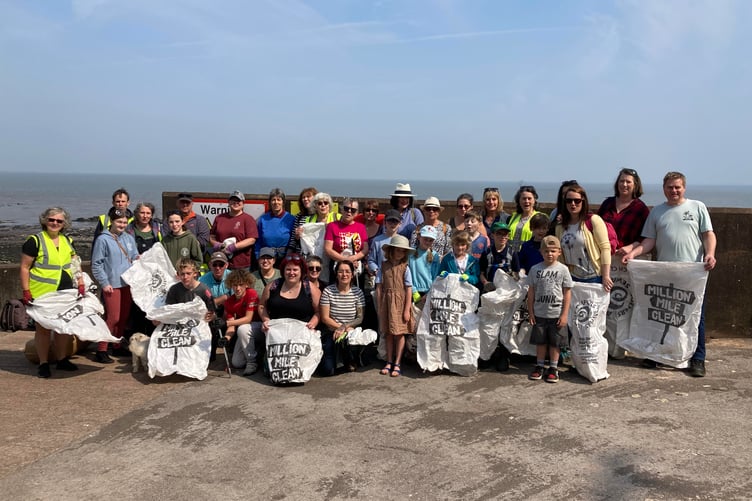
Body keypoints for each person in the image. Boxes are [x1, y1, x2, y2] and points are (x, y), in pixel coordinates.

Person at [623, 171, 716, 377]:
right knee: (662, 316)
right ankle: (656, 355)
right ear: (663, 188)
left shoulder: (697, 207)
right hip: (665, 273)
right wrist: (633, 253)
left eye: (677, 187)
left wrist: (710, 254)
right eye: (669, 187)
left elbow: (708, 234)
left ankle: (697, 359)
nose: (673, 191)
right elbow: (649, 241)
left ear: (684, 188)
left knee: (695, 316)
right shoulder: (657, 211)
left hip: (692, 273)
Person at [20, 207, 85, 378]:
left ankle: (62, 359)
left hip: (65, 291)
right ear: (45, 220)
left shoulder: (67, 240)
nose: (55, 223)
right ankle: (43, 363)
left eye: (59, 221)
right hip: (42, 292)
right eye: (51, 220)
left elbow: (74, 263)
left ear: (64, 224)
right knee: (43, 329)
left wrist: (80, 282)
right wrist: (26, 290)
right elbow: (25, 267)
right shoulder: (35, 241)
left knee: (63, 327)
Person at [91, 207, 139, 363]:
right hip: (112, 284)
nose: (122, 224)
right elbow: (96, 264)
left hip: (127, 283)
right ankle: (102, 349)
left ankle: (116, 345)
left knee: (124, 317)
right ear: (112, 221)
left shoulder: (129, 238)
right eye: (119, 221)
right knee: (113, 318)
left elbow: (133, 256)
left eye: (125, 222)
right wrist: (104, 282)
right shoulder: (102, 239)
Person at [527, 235, 573, 383]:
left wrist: (565, 314)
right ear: (541, 252)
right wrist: (531, 312)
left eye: (553, 251)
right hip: (540, 312)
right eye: (546, 251)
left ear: (559, 252)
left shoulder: (563, 270)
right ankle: (540, 365)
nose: (550, 254)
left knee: (555, 342)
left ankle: (553, 367)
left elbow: (567, 292)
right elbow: (531, 292)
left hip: (556, 313)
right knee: (541, 342)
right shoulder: (535, 269)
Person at [554, 185, 613, 292]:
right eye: (569, 201)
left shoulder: (593, 220)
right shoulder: (560, 226)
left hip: (593, 277)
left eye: (577, 201)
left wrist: (606, 276)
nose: (573, 204)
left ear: (583, 201)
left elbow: (605, 248)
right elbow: (560, 254)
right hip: (571, 278)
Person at [376, 235, 415, 378]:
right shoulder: (383, 266)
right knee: (388, 333)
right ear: (391, 251)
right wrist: (380, 305)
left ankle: (398, 362)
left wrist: (406, 310)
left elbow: (409, 289)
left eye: (403, 251)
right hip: (387, 301)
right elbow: (379, 286)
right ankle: (389, 361)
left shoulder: (405, 268)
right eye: (398, 250)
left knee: (399, 333)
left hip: (400, 302)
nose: (400, 253)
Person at [319, 260, 366, 376]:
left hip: (349, 331)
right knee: (327, 371)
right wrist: (339, 328)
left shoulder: (358, 292)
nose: (344, 275)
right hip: (332, 331)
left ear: (352, 274)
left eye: (347, 271)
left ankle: (352, 358)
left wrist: (344, 328)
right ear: (336, 274)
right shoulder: (328, 291)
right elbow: (325, 318)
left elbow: (359, 318)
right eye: (341, 271)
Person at [125, 201, 163, 336]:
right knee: (136, 308)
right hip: (136, 275)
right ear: (136, 214)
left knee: (152, 307)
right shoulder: (128, 230)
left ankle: (152, 339)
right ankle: (136, 340)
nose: (145, 216)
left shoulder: (158, 229)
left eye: (148, 213)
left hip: (154, 276)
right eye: (142, 212)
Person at [257, 254, 320, 332]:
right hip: (275, 331)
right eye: (288, 269)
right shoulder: (273, 286)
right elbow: (261, 305)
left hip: (302, 332)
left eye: (295, 270)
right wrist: (266, 321)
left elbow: (319, 311)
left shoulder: (310, 288)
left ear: (301, 271)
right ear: (283, 271)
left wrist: (312, 323)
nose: (291, 273)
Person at [217, 269, 260, 376]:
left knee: (242, 328)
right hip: (244, 332)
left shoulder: (251, 293)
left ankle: (252, 362)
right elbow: (231, 326)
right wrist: (226, 338)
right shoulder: (229, 302)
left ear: (246, 284)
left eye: (241, 285)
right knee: (237, 363)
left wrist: (225, 323)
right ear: (231, 285)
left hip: (258, 327)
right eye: (235, 285)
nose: (238, 288)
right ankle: (258, 354)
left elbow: (248, 318)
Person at [598, 168, 650, 256]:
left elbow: (645, 236)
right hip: (604, 254)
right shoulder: (607, 203)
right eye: (621, 181)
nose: (624, 184)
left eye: (628, 182)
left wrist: (631, 247)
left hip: (626, 257)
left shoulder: (641, 209)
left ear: (635, 185)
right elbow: (596, 226)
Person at [324, 198, 369, 283]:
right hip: (337, 267)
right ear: (341, 209)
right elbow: (328, 249)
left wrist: (354, 258)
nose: (349, 212)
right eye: (346, 208)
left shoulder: (361, 227)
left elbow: (365, 249)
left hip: (355, 267)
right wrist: (345, 260)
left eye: (353, 210)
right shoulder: (332, 226)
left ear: (356, 213)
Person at [210, 191, 258, 270]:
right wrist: (217, 245)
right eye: (233, 200)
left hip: (241, 264)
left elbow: (252, 239)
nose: (236, 203)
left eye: (238, 201)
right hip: (221, 263)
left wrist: (234, 247)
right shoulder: (219, 218)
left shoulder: (248, 219)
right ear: (228, 202)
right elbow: (212, 236)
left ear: (243, 203)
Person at [256, 188, 295, 267]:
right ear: (270, 202)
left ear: (283, 202)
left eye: (279, 199)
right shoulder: (262, 219)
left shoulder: (291, 219)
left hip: (285, 257)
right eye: (273, 200)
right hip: (267, 258)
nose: (276, 202)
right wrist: (257, 255)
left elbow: (294, 240)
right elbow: (258, 240)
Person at [479, 222, 520, 292]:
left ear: (508, 236)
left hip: (507, 290)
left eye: (505, 234)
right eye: (499, 233)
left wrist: (514, 276)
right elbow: (481, 273)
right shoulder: (486, 253)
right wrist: (485, 283)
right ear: (492, 235)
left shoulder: (512, 253)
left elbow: (517, 272)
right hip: (490, 290)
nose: (502, 237)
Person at [408, 225, 441, 305]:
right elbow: (407, 274)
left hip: (429, 292)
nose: (427, 242)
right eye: (425, 239)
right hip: (412, 291)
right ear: (419, 237)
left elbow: (436, 276)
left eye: (430, 240)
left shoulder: (435, 255)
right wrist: (413, 290)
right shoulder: (410, 253)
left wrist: (429, 292)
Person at [507, 185, 541, 253]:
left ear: (534, 200)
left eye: (529, 198)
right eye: (524, 198)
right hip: (511, 256)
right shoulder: (513, 217)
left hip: (529, 255)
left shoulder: (540, 217)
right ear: (519, 201)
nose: (526, 201)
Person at [286, 186, 318, 255]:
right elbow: (293, 239)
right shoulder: (299, 216)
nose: (305, 199)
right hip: (301, 253)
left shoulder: (320, 215)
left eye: (308, 196)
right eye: (303, 197)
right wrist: (289, 252)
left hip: (316, 253)